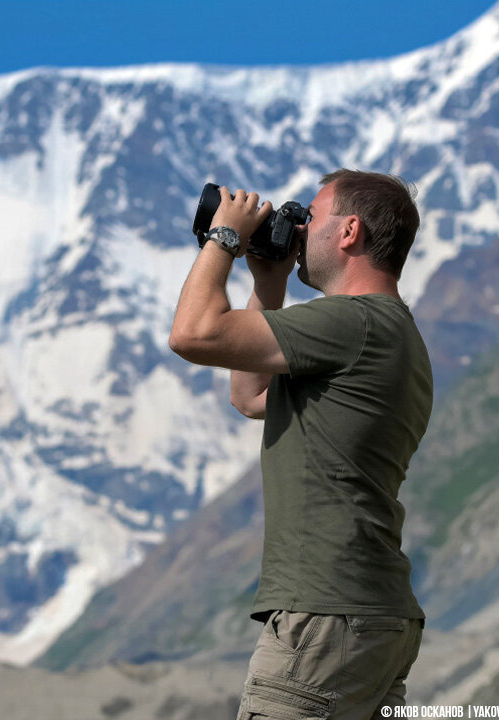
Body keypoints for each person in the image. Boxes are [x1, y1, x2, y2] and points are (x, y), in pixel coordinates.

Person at [168, 169, 433, 719]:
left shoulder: (351, 322)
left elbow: (192, 334)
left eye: (310, 217)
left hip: (324, 613)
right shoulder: (390, 331)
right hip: (372, 616)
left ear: (349, 232)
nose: (298, 228)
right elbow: (250, 394)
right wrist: (269, 285)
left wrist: (225, 237)